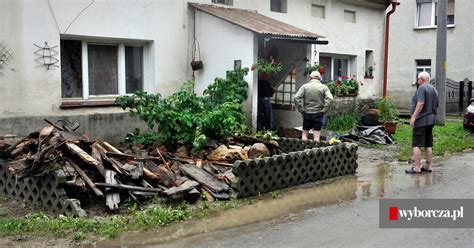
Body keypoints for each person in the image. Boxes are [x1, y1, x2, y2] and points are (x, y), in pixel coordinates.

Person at [406, 71, 439, 174]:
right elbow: (436, 106)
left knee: (416, 144)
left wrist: (413, 117)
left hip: (421, 120)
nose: (417, 81)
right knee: (428, 144)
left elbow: (420, 103)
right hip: (431, 120)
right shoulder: (434, 89)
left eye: (418, 79)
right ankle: (428, 166)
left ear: (422, 79)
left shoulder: (421, 88)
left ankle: (417, 167)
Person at [294, 71, 334, 141]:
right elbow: (330, 98)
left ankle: (303, 149)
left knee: (304, 133)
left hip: (307, 113)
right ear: (319, 78)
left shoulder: (304, 87)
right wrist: (324, 110)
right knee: (316, 135)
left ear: (310, 78)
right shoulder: (324, 87)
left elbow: (296, 98)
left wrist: (301, 110)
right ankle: (315, 150)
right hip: (318, 113)